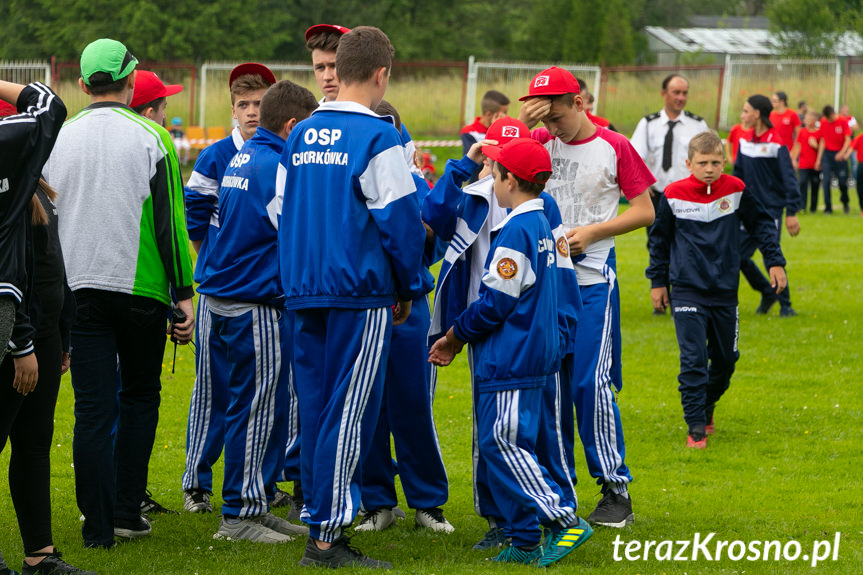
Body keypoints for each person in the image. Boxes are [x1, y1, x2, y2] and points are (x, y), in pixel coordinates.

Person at [277, 26, 427, 569]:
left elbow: (281, 212)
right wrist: (410, 286)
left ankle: (317, 516)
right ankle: (327, 540)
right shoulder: (378, 139)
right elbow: (402, 224)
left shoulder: (300, 134)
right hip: (358, 293)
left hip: (302, 289)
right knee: (349, 411)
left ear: (337, 70)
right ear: (382, 75)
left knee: (316, 409)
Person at [43, 38, 195, 549]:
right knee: (138, 398)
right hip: (141, 292)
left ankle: (98, 527)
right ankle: (127, 510)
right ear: (132, 83)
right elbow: (171, 225)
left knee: (91, 411)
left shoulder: (56, 137)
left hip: (75, 290)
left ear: (84, 85)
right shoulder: (154, 136)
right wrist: (185, 293)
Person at [429, 137, 591, 567]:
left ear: (510, 179)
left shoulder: (517, 229)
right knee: (513, 440)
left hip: (512, 355)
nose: (492, 181)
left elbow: (496, 301)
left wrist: (455, 335)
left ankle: (562, 519)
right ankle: (522, 537)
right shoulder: (543, 223)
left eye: (495, 173)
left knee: (500, 441)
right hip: (535, 350)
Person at [519, 66, 655, 528]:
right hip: (546, 286)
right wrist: (531, 129)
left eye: (557, 116)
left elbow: (645, 210)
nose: (551, 126)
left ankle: (616, 491)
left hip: (594, 279)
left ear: (580, 103)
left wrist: (594, 231)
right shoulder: (537, 143)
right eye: (545, 118)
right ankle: (560, 490)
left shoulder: (614, 146)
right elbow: (498, 168)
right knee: (550, 387)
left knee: (589, 383)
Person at [197, 79, 317, 543]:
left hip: (226, 297)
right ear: (291, 126)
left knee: (250, 405)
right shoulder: (277, 163)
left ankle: (255, 503)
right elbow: (293, 231)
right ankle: (239, 514)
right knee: (257, 408)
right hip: (255, 302)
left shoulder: (245, 155)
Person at [647, 132, 787, 448]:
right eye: (702, 163)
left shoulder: (736, 190)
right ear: (688, 164)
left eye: (715, 162)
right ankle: (695, 426)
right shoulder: (673, 194)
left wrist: (774, 262)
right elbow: (658, 241)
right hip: (686, 290)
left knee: (726, 360)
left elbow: (762, 224)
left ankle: (706, 404)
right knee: (694, 359)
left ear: (724, 161)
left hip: (725, 290)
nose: (709, 169)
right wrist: (658, 281)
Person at [182, 62, 276, 515]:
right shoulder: (214, 156)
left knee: (261, 393)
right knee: (211, 388)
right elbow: (195, 220)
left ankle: (263, 481)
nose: (253, 112)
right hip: (218, 290)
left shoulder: (280, 154)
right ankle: (196, 480)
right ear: (232, 109)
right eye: (244, 104)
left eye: (260, 103)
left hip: (259, 295)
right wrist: (215, 260)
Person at [355, 100, 453, 535]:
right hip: (364, 303)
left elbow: (432, 241)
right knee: (368, 409)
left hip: (411, 308)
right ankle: (377, 502)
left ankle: (428, 503)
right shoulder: (350, 176)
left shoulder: (413, 179)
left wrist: (410, 272)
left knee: (414, 405)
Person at [630, 73, 709, 314]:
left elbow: (708, 158)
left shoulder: (697, 124)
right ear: (664, 93)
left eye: (685, 93)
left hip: (687, 196)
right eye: (676, 92)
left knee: (685, 247)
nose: (681, 98)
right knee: (658, 245)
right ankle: (660, 295)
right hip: (658, 197)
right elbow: (635, 158)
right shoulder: (649, 124)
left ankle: (682, 296)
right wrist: (643, 190)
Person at [0, 79, 65, 368]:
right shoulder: (16, 184)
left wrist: (64, 327)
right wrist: (22, 342)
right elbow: (50, 106)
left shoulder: (33, 186)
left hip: (42, 330)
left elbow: (52, 263)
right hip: (19, 328)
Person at [735, 95, 800, 318]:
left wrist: (791, 212)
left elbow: (789, 178)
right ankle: (767, 291)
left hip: (771, 210)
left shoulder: (777, 142)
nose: (742, 116)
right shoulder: (745, 142)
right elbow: (737, 177)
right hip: (747, 212)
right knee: (738, 256)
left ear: (757, 114)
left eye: (745, 111)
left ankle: (786, 305)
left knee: (771, 255)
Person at [814, 105, 851, 214]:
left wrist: (842, 153)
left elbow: (848, 139)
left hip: (840, 155)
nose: (828, 121)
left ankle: (845, 202)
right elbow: (822, 140)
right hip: (827, 155)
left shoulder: (843, 121)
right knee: (826, 181)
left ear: (833, 114)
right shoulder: (824, 122)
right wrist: (818, 159)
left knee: (842, 182)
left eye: (830, 118)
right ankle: (828, 207)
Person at [460, 90, 510, 156]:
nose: (506, 116)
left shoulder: (504, 129)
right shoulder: (469, 132)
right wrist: (494, 130)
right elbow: (472, 160)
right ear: (489, 114)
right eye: (504, 113)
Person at [790, 109, 822, 213]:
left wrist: (815, 146)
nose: (806, 120)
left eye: (809, 119)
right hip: (803, 163)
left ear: (814, 120)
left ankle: (813, 207)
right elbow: (798, 146)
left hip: (815, 164)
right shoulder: (802, 132)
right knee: (802, 182)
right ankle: (801, 206)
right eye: (806, 118)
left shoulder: (819, 133)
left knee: (815, 184)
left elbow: (822, 148)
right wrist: (794, 159)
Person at [848, 128, 863, 216]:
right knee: (860, 187)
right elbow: (852, 147)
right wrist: (845, 156)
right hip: (862, 164)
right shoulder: (860, 137)